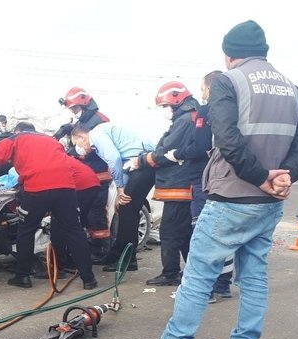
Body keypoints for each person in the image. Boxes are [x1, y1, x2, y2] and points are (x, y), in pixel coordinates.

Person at [131, 19, 298, 339]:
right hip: (267, 204)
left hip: (231, 197)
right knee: (255, 278)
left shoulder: (229, 82)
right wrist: (283, 176)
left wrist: (261, 178)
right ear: (264, 53)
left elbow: (227, 140)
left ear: (229, 56)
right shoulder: (292, 88)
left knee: (198, 276)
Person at [0, 122, 98, 290]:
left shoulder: (16, 139)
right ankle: (89, 279)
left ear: (18, 131)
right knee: (74, 231)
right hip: (66, 188)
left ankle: (23, 276)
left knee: (26, 230)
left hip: (36, 188)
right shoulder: (51, 141)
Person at [126, 81, 202, 287]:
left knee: (169, 231)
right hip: (183, 183)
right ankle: (193, 273)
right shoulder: (189, 117)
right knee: (185, 231)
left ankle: (171, 273)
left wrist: (139, 161)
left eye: (164, 106)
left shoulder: (185, 120)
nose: (164, 111)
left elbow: (166, 150)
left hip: (178, 184)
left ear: (176, 100)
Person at [168, 70, 234, 302]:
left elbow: (199, 146)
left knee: (203, 234)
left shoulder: (206, 111)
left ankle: (204, 290)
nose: (202, 92)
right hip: (231, 180)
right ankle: (223, 284)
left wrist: (176, 153)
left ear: (210, 88)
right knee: (224, 235)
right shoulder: (236, 108)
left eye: (203, 87)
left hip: (205, 179)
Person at [70, 122, 155, 271]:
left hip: (142, 163)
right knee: (124, 208)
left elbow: (114, 159)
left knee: (128, 210)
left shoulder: (96, 134)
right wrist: (119, 193)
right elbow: (123, 167)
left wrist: (121, 188)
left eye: (76, 143)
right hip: (136, 165)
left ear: (81, 137)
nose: (79, 149)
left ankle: (128, 260)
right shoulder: (100, 139)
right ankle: (116, 255)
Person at [56, 87, 113, 260]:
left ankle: (102, 249)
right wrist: (64, 129)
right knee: (86, 214)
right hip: (86, 175)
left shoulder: (99, 120)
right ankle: (91, 245)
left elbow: (92, 146)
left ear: (84, 105)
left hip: (99, 174)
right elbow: (77, 132)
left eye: (74, 108)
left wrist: (72, 153)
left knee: (96, 214)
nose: (73, 112)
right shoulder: (84, 120)